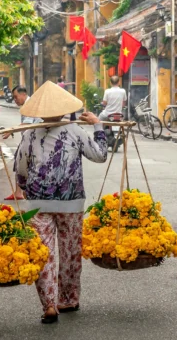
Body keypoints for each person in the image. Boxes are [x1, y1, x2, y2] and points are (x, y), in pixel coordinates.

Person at [13, 81, 108, 323]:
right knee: (70, 253)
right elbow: (100, 155)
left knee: (43, 254)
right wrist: (98, 126)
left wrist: (25, 188)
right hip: (71, 202)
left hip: (38, 203)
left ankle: (49, 305)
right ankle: (69, 299)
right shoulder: (75, 131)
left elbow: (21, 168)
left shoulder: (29, 133)